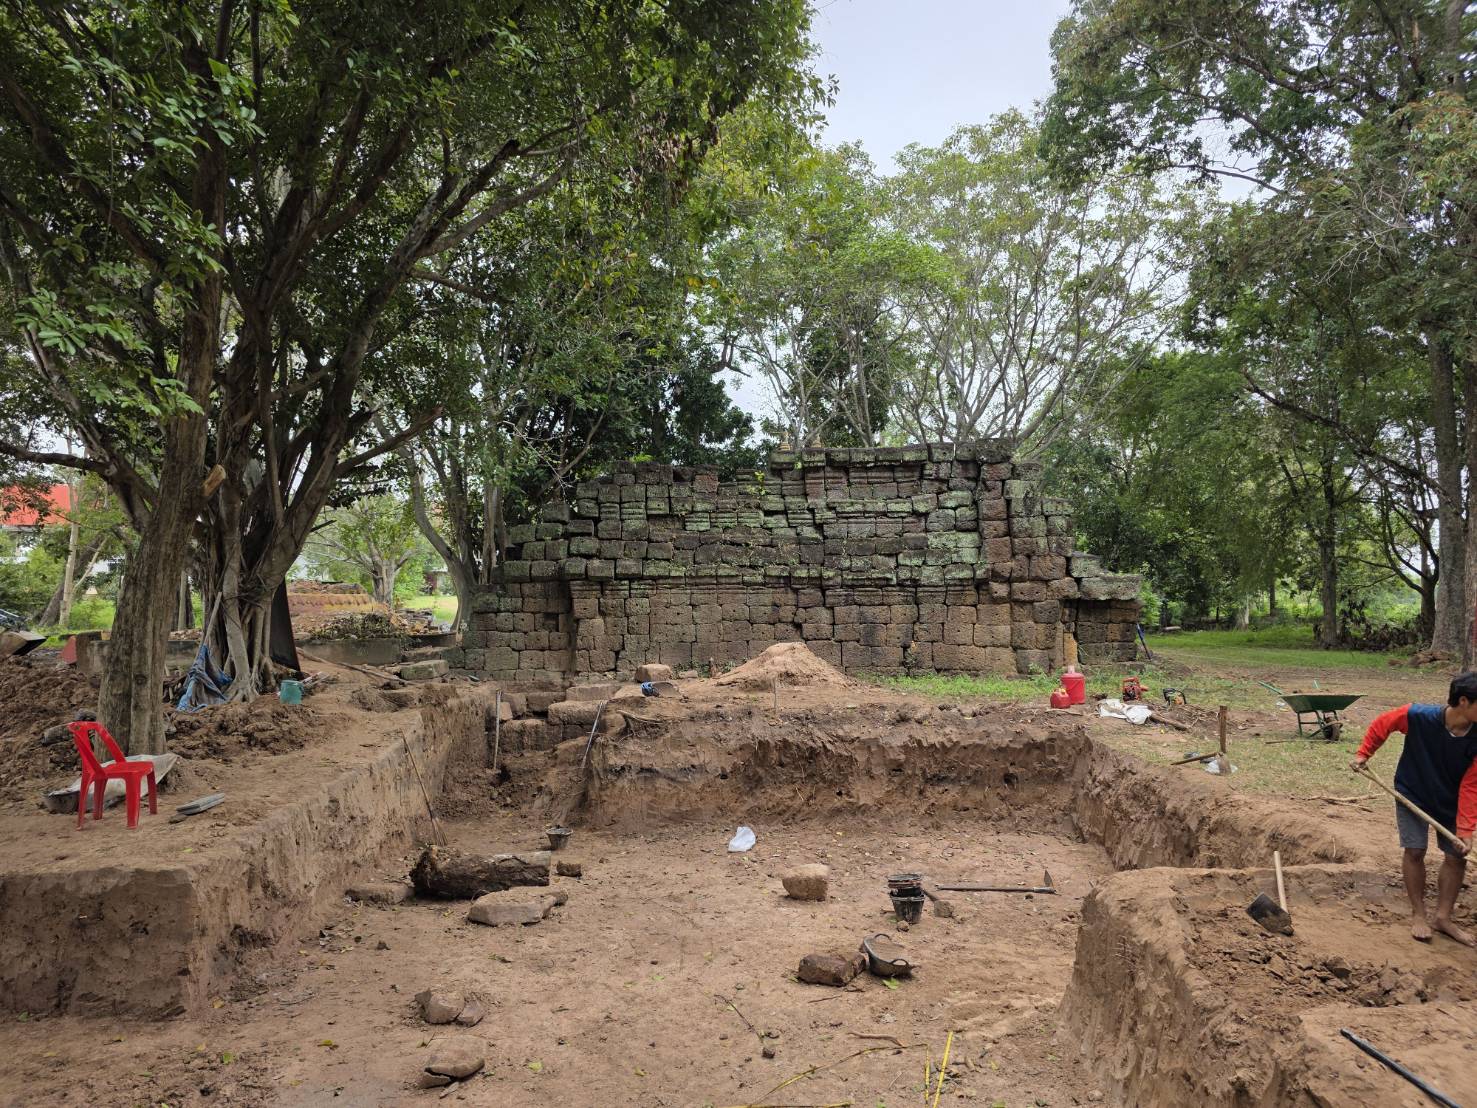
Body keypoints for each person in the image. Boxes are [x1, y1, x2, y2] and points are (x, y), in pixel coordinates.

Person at [1351, 671, 1477, 944]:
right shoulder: (1419, 716)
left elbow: (1471, 785)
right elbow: (1383, 723)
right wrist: (1364, 754)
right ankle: (1418, 913)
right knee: (1415, 849)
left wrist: (1466, 830)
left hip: (1451, 800)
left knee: (1457, 857)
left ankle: (1443, 918)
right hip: (1413, 791)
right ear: (1464, 702)